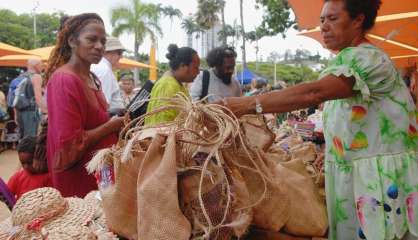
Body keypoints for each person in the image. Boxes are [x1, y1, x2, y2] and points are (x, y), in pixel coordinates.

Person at [220, 0, 418, 239]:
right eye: (322, 20)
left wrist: (245, 105)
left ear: (358, 20)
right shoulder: (346, 60)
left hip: (378, 179)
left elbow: (313, 93)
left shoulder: (366, 58)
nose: (324, 26)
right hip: (358, 172)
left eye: (333, 19)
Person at [44, 13, 124, 197]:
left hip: (101, 170)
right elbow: (70, 143)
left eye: (103, 42)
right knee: (87, 220)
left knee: (106, 218)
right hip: (79, 177)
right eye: (91, 39)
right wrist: (110, 126)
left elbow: (93, 120)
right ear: (72, 41)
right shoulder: (65, 80)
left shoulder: (93, 78)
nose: (99, 46)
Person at [145, 44, 200, 126]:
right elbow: (162, 127)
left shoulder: (177, 84)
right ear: (183, 66)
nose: (198, 72)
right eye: (196, 67)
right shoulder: (167, 85)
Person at [91, 36, 125, 109]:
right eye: (119, 53)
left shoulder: (97, 66)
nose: (121, 56)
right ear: (105, 52)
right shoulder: (104, 70)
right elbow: (103, 104)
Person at [13, 58, 44, 138]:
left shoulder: (19, 77)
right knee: (31, 139)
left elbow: (15, 97)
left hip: (19, 112)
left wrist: (15, 114)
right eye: (41, 65)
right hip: (31, 112)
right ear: (36, 66)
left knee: (22, 138)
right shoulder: (36, 77)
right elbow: (38, 98)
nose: (42, 67)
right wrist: (46, 112)